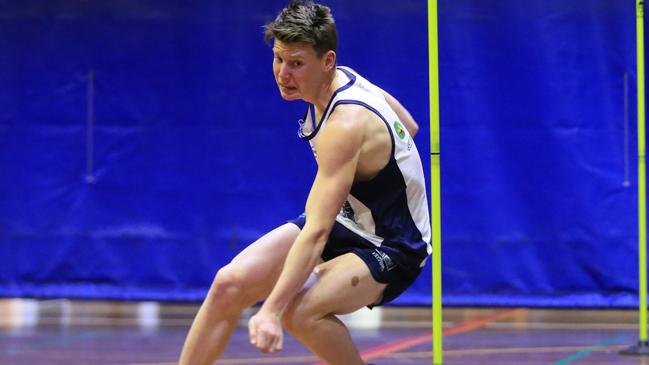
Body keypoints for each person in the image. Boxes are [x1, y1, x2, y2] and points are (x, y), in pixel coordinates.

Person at [178, 1, 431, 364]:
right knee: (228, 284)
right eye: (278, 59)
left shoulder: (344, 124)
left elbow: (315, 232)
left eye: (296, 63)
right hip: (351, 221)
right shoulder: (345, 76)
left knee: (298, 311)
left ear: (326, 61)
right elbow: (409, 125)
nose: (283, 73)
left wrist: (270, 312)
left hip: (393, 245)